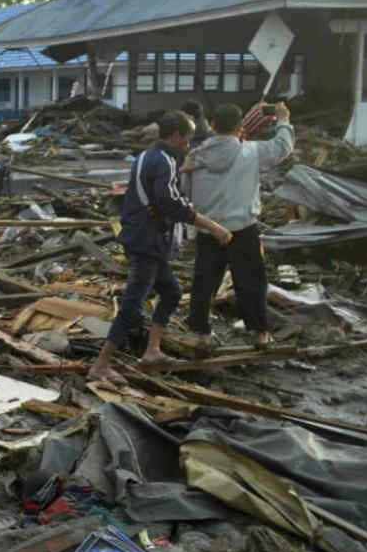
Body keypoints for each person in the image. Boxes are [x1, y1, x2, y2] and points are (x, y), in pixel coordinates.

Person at [87, 111, 234, 385]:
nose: (189, 145)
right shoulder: (164, 161)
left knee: (172, 292)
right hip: (148, 242)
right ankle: (101, 364)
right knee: (132, 303)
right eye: (188, 140)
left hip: (143, 237)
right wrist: (213, 226)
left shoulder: (146, 155)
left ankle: (152, 352)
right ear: (176, 136)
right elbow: (172, 204)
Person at [182, 102, 295, 351]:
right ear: (240, 126)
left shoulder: (195, 156)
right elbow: (283, 147)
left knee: (204, 282)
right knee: (251, 281)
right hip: (242, 228)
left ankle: (200, 332)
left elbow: (185, 193)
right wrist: (284, 119)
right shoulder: (251, 152)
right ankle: (260, 333)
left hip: (208, 228)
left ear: (212, 124)